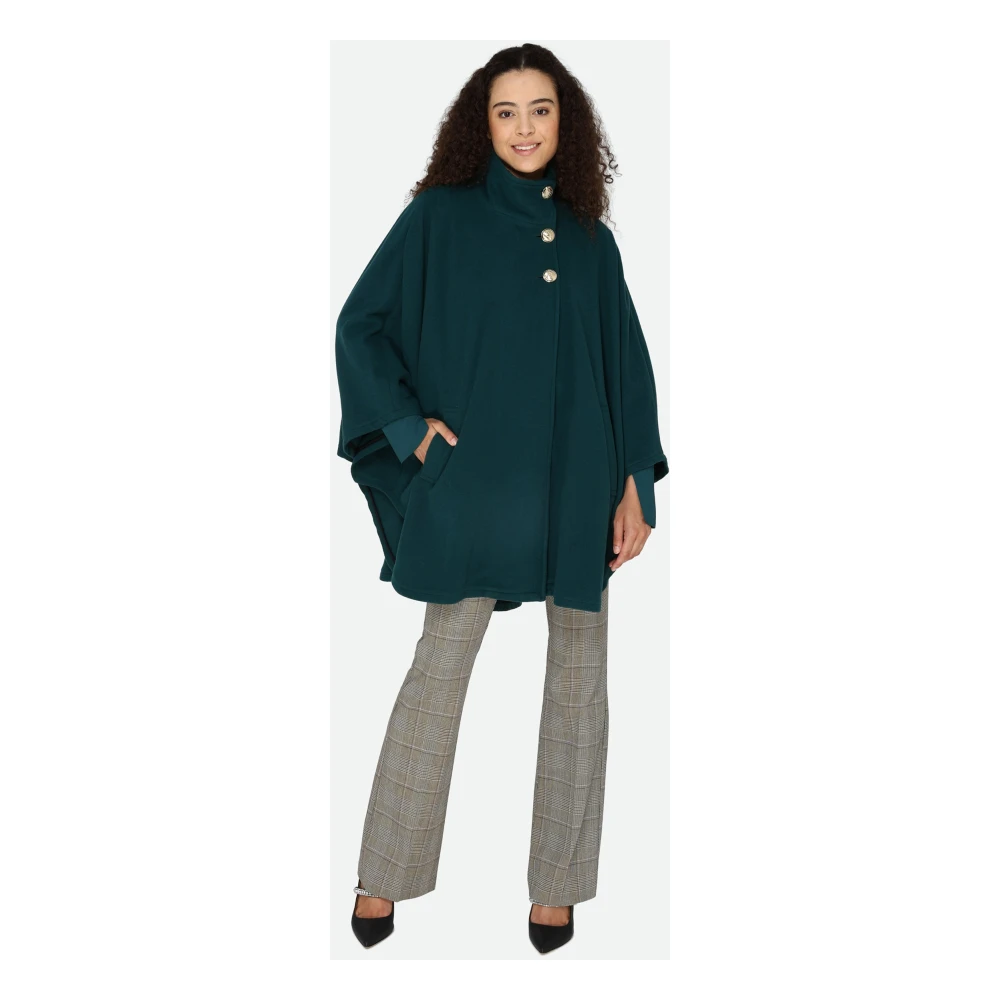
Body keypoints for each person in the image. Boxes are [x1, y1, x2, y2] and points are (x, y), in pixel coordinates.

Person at [335, 43, 668, 954]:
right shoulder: (438, 218)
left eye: (542, 110)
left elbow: (626, 366)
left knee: (580, 681)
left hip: (579, 485)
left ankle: (557, 888)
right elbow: (361, 325)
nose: (525, 128)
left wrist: (635, 482)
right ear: (479, 125)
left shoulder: (591, 239)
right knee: (440, 667)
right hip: (475, 483)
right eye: (506, 111)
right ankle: (384, 871)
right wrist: (408, 430)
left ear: (568, 123)